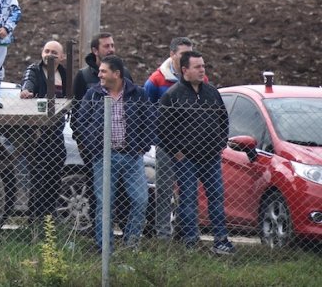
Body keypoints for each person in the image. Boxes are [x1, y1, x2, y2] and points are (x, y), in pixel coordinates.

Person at [73, 55, 155, 251]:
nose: (99, 74)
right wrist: (92, 147)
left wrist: (140, 147)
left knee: (140, 200)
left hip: (131, 157)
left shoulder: (138, 94)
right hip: (103, 158)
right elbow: (81, 123)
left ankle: (130, 245)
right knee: (104, 205)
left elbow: (150, 123)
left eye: (103, 71)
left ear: (116, 74)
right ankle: (105, 249)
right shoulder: (93, 95)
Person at [158, 51, 235, 255]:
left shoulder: (212, 93)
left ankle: (221, 241)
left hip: (210, 158)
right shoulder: (172, 96)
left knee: (216, 198)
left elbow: (223, 121)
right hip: (186, 160)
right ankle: (191, 242)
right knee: (189, 200)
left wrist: (219, 144)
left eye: (203, 66)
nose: (202, 70)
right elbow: (164, 129)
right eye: (197, 67)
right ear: (185, 70)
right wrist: (177, 152)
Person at [144, 36, 194, 240]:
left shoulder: (198, 79)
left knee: (189, 191)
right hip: (164, 145)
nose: (187, 58)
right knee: (164, 191)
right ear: (172, 54)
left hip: (190, 146)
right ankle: (162, 235)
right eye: (183, 54)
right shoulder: (156, 81)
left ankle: (186, 234)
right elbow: (146, 112)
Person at [20, 40, 69, 222]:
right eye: (47, 51)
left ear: (62, 57)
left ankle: (50, 222)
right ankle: (34, 222)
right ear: (42, 53)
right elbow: (28, 82)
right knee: (38, 182)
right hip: (37, 136)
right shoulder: (35, 70)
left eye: (55, 52)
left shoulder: (65, 75)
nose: (50, 55)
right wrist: (27, 91)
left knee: (54, 181)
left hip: (57, 134)